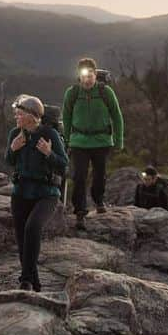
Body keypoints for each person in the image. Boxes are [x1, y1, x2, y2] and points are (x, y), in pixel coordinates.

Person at [5, 94, 68, 292]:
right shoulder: (15, 133)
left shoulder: (49, 134)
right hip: (21, 192)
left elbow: (64, 166)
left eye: (20, 113)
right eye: (16, 113)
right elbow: (9, 161)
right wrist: (13, 149)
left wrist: (49, 154)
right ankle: (33, 282)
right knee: (22, 238)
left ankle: (25, 279)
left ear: (32, 115)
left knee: (33, 228)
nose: (16, 117)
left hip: (46, 193)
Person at [62, 57, 124, 230]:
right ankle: (80, 212)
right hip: (79, 141)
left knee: (99, 175)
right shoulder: (72, 93)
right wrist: (67, 140)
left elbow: (117, 116)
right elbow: (66, 117)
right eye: (84, 75)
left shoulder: (106, 92)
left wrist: (119, 140)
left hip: (101, 141)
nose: (87, 79)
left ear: (95, 74)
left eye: (91, 74)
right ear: (79, 76)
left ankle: (98, 200)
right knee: (79, 176)